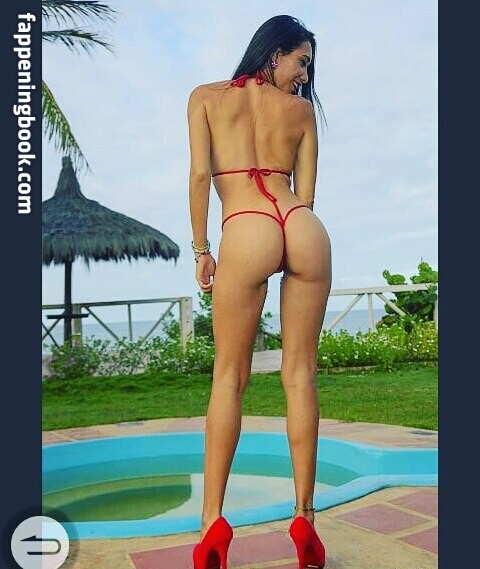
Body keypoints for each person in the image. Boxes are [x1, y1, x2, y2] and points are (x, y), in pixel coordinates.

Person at [187, 14, 332, 569]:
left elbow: (200, 177)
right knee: (301, 374)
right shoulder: (301, 114)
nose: (304, 76)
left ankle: (212, 525)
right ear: (274, 54)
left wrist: (202, 248)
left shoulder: (205, 98)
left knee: (229, 377)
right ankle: (305, 518)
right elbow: (306, 193)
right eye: (302, 62)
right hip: (301, 224)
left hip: (245, 224)